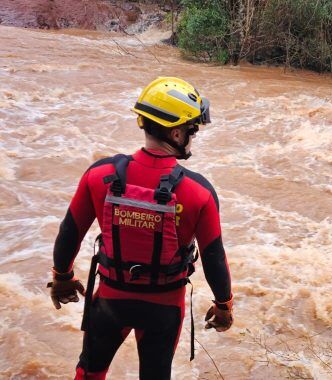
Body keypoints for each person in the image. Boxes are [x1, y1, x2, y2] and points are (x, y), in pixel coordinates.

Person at [47, 77, 233, 379]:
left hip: (110, 301)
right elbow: (214, 257)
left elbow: (69, 232)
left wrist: (62, 278)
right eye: (191, 131)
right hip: (164, 309)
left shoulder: (100, 174)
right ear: (176, 132)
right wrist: (223, 306)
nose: (192, 138)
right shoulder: (199, 192)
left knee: (89, 373)